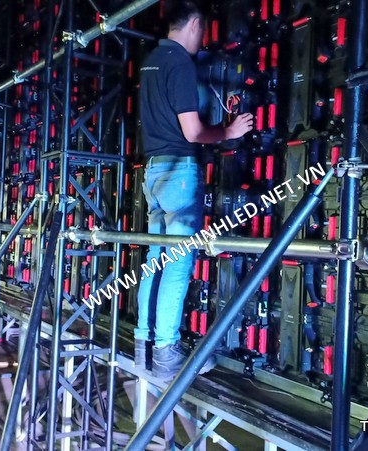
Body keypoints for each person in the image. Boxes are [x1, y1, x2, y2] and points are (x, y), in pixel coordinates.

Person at [135, 0, 254, 379]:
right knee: (178, 261)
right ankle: (167, 352)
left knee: (155, 260)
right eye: (203, 30)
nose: (203, 38)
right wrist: (229, 132)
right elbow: (193, 132)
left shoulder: (152, 60)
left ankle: (144, 346)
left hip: (153, 171)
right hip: (179, 171)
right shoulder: (180, 63)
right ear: (196, 24)